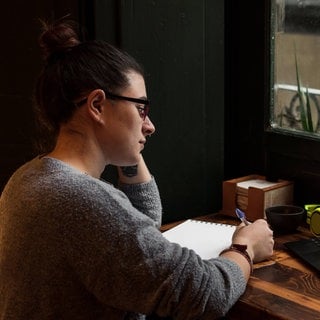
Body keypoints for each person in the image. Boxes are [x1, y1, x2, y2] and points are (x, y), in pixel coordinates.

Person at [0, 18, 274, 320]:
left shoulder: (27, 179)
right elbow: (205, 294)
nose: (150, 125)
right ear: (97, 106)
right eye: (141, 108)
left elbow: (137, 229)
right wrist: (246, 247)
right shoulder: (83, 202)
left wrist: (129, 146)